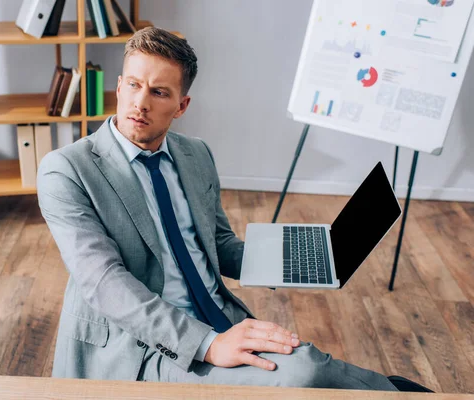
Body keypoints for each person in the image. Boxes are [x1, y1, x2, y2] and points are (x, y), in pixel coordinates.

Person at [37, 26, 431, 392]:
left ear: (181, 104)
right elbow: (105, 283)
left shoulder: (195, 155)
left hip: (216, 313)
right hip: (140, 344)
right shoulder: (67, 170)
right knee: (304, 371)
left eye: (159, 92)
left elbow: (218, 244)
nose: (141, 103)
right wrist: (208, 344)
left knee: (305, 362)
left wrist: (297, 257)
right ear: (119, 87)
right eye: (135, 85)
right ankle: (399, 392)